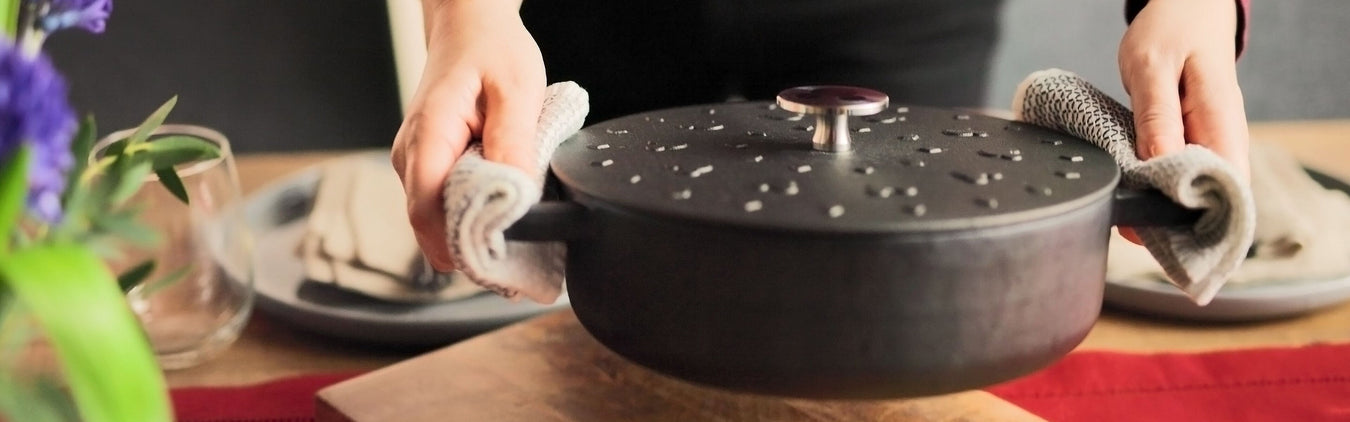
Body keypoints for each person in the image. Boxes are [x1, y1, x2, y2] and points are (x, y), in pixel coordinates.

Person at [393, 0, 1251, 273]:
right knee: (614, 270)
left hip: (899, 13)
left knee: (907, 279)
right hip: (608, 12)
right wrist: (466, 13)